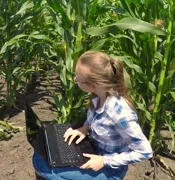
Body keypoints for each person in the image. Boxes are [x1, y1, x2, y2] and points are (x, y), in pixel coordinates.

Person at [33, 51, 153, 179]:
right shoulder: (98, 97)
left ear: (93, 85)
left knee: (46, 168)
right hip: (93, 150)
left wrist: (104, 161)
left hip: (109, 170)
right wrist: (85, 128)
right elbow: (95, 121)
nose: (75, 81)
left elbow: (145, 152)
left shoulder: (120, 114)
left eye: (77, 79)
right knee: (42, 150)